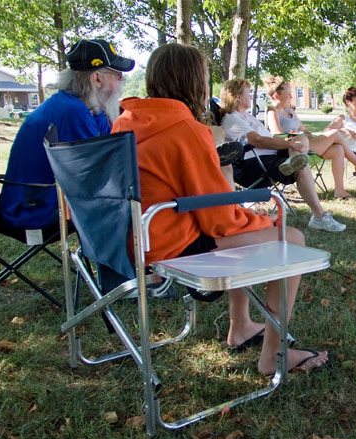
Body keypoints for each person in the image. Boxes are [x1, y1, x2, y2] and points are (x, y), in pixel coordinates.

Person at [112, 43, 329, 375]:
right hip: (172, 246)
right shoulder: (185, 130)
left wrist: (253, 221)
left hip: (134, 241)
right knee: (292, 238)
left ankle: (240, 325)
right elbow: (219, 220)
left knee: (256, 228)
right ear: (195, 82)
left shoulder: (126, 122)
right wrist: (261, 219)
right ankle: (273, 356)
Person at [0, 39, 134, 229]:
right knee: (132, 209)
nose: (121, 81)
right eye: (117, 75)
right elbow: (98, 175)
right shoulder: (72, 111)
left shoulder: (90, 108)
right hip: (33, 209)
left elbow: (112, 156)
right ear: (97, 78)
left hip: (47, 198)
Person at [221, 78, 347, 232]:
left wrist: (294, 141)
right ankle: (319, 216)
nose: (251, 96)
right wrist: (289, 144)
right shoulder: (232, 118)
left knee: (301, 143)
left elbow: (271, 138)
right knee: (301, 161)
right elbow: (258, 140)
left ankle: (294, 161)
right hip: (254, 164)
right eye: (248, 93)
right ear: (238, 97)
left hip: (271, 157)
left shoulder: (248, 117)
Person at [264, 76, 356, 200]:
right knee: (335, 133)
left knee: (338, 148)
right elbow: (277, 135)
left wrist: (312, 136)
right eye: (288, 94)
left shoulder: (290, 110)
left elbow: (304, 130)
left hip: (306, 144)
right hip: (292, 150)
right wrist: (299, 136)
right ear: (276, 96)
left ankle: (340, 191)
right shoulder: (273, 111)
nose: (291, 97)